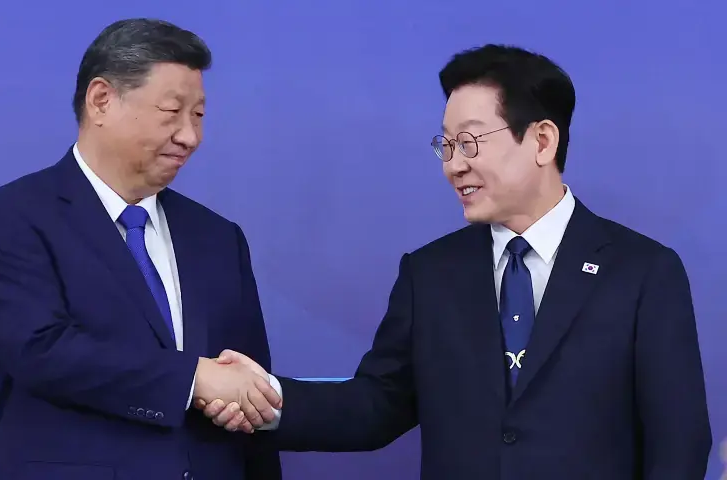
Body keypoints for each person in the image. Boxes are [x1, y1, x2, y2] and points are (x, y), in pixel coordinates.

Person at [199, 44, 713, 479]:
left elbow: (679, 442)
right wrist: (264, 396)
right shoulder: (431, 274)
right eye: (445, 145)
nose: (453, 165)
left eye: (469, 142)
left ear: (542, 140)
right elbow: (375, 406)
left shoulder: (643, 272)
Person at [0, 18, 282, 480]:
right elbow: (39, 349)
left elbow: (247, 389)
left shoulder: (217, 236)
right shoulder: (13, 217)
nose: (190, 137)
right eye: (171, 111)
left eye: (198, 116)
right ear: (101, 100)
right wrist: (194, 378)